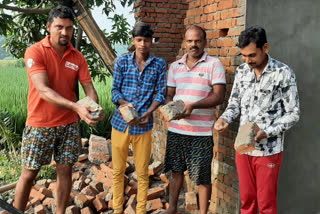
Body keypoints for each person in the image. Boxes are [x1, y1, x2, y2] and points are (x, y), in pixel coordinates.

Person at [13, 5, 103, 214]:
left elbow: (89, 89)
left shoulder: (77, 57)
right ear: (49, 27)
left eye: (69, 28)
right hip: (40, 123)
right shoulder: (35, 51)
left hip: (69, 125)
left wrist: (95, 109)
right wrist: (76, 107)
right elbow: (43, 90)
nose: (64, 32)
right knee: (29, 173)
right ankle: (16, 211)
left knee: (65, 171)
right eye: (59, 27)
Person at [214, 26, 300, 214]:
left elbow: (293, 113)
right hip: (243, 149)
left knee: (267, 206)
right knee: (247, 202)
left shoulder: (283, 73)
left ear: (265, 48)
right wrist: (224, 119)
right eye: (243, 56)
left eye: (251, 55)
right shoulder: (242, 72)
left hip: (269, 151)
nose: (247, 61)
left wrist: (266, 132)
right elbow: (234, 104)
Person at [162, 25, 226, 214]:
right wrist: (170, 108)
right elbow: (169, 94)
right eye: (190, 41)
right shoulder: (175, 66)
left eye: (198, 40)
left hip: (201, 132)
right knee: (175, 171)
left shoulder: (214, 64)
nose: (193, 45)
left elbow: (219, 96)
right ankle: (172, 208)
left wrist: (193, 106)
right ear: (185, 42)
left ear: (204, 42)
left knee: (203, 177)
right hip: (176, 129)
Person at [110, 22, 166, 214]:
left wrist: (149, 112)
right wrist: (125, 104)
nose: (143, 44)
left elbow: (160, 93)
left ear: (152, 41)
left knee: (142, 173)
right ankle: (117, 209)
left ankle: (140, 210)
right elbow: (114, 91)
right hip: (121, 124)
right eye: (139, 40)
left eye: (147, 40)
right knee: (118, 171)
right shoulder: (122, 62)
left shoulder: (158, 64)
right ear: (133, 41)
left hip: (144, 125)